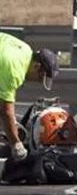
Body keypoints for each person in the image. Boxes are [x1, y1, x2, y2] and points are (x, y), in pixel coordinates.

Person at [0, 32, 59, 161]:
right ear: (37, 66)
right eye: (40, 77)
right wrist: (16, 143)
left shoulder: (25, 50)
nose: (38, 81)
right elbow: (6, 111)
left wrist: (11, 124)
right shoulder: (14, 70)